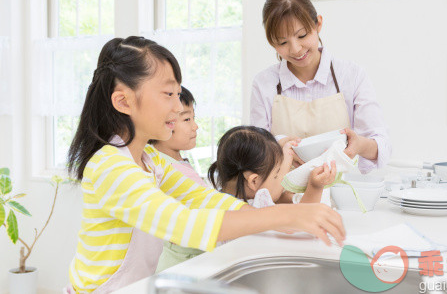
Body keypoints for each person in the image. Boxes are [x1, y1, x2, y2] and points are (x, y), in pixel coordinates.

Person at [67, 36, 346, 293]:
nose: (178, 107)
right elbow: (182, 223)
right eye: (168, 94)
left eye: (178, 94)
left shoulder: (153, 162)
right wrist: (287, 217)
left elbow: (207, 200)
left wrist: (284, 217)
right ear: (124, 101)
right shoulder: (109, 167)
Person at [250, 0, 391, 177]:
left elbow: (381, 146)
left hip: (342, 195)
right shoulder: (263, 84)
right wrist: (277, 147)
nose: (296, 49)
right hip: (285, 198)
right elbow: (255, 153)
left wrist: (359, 145)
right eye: (282, 43)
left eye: (302, 36)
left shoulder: (352, 76)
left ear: (318, 24)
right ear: (272, 43)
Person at [208, 125, 338, 206]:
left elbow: (273, 195)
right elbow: (304, 223)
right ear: (254, 181)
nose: (283, 179)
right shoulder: (253, 210)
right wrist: (315, 187)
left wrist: (286, 155)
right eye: (277, 175)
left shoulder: (223, 200)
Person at [152, 86, 207, 271]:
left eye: (193, 118)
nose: (195, 126)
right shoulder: (165, 168)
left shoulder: (178, 161)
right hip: (179, 264)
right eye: (186, 119)